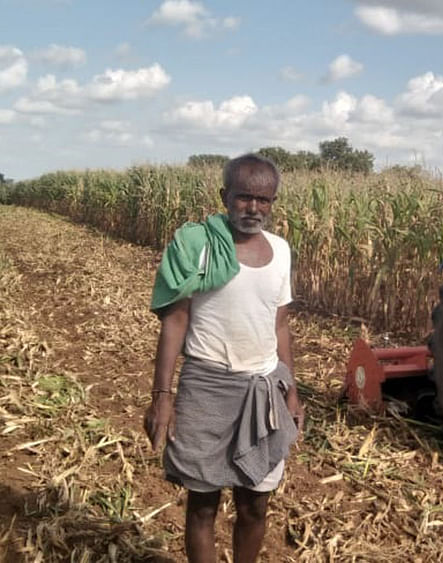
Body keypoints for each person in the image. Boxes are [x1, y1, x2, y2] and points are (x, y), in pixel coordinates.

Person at [144, 153, 305, 563]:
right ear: (224, 196)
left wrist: (291, 389)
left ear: (274, 201)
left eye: (264, 200)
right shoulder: (199, 248)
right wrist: (162, 395)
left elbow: (280, 325)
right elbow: (175, 322)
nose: (254, 208)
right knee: (202, 506)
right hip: (207, 389)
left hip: (263, 389)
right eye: (244, 197)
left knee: (255, 504)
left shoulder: (281, 252)